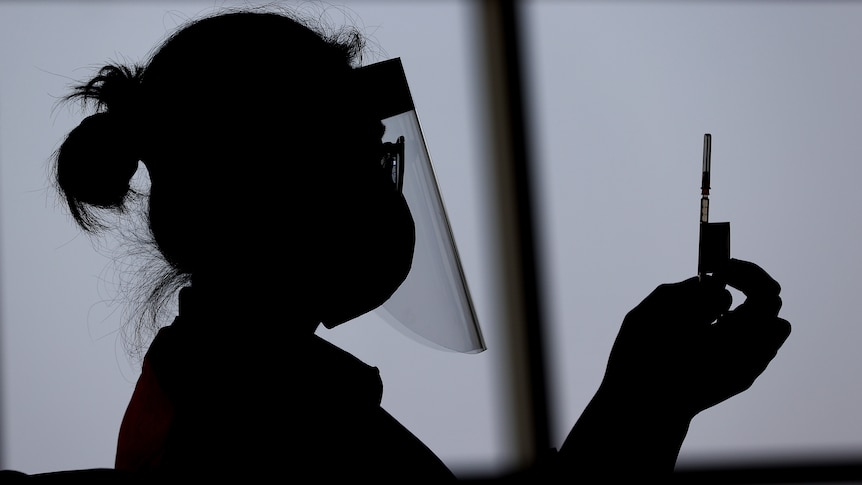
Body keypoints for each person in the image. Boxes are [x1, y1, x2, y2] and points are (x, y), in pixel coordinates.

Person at [0, 8, 790, 482]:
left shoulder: (219, 383)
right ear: (281, 184)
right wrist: (646, 404)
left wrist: (647, 400)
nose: (384, 184)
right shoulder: (274, 426)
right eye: (364, 154)